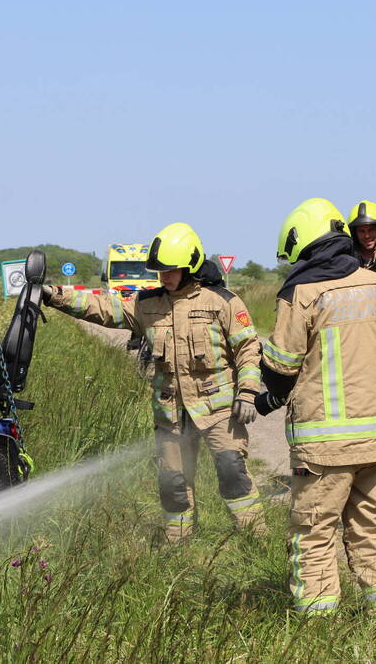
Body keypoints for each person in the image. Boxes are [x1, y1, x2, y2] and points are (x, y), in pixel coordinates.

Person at [41, 222, 265, 543]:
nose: (165, 277)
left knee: (233, 475)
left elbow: (248, 348)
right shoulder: (147, 305)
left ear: (191, 266)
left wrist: (247, 392)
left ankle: (254, 539)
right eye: (160, 271)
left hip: (218, 411)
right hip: (170, 414)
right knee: (173, 485)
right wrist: (54, 296)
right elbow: (103, 307)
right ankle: (179, 547)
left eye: (171, 271)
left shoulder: (223, 302)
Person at [253, 197, 376, 614]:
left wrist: (268, 393)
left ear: (305, 245)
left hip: (324, 448)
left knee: (314, 533)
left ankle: (318, 628)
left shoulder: (302, 291)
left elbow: (282, 363)